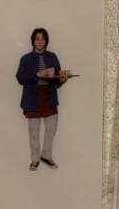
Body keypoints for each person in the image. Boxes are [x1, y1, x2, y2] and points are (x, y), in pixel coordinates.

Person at [16, 28, 76, 171]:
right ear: (33, 41)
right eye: (37, 39)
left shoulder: (52, 57)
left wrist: (62, 79)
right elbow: (20, 78)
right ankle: (35, 159)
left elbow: (57, 79)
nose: (40, 42)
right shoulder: (25, 58)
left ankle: (46, 156)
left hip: (49, 97)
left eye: (42, 39)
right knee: (34, 132)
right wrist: (36, 75)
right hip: (32, 98)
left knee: (51, 129)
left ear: (46, 41)